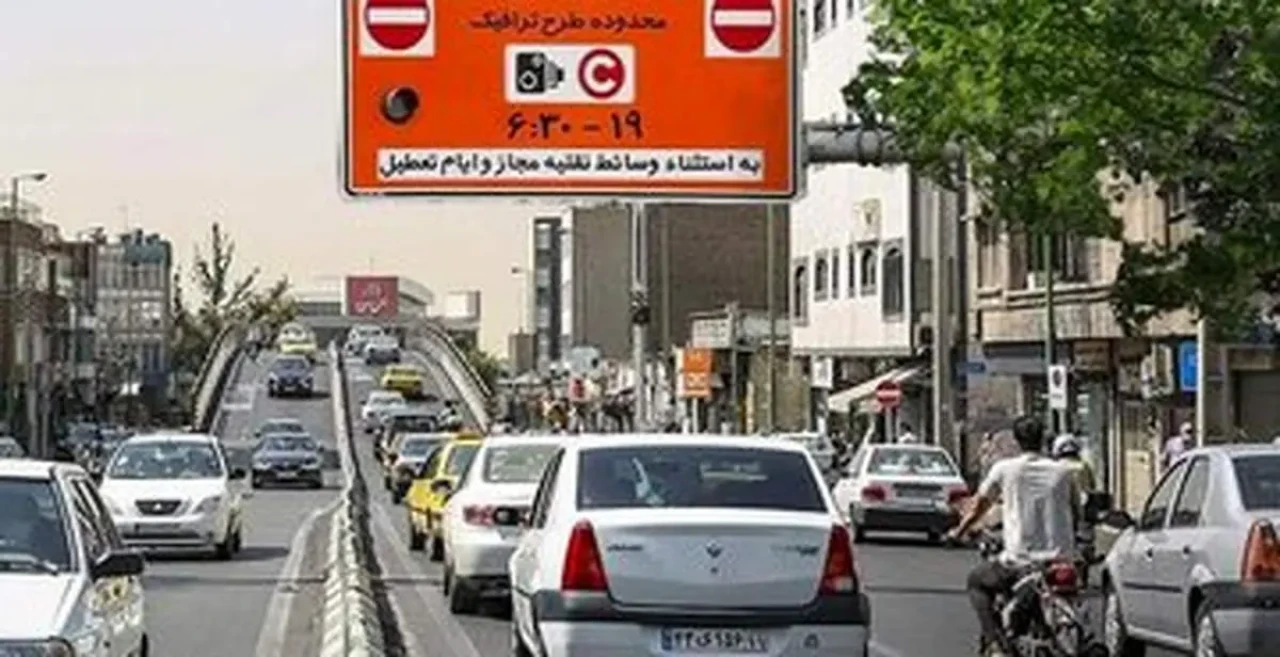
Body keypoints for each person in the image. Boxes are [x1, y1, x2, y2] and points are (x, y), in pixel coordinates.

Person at [946, 416, 1078, 657]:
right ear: (1043, 440)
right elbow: (1076, 511)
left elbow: (977, 509)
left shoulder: (1005, 469)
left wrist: (959, 532)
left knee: (976, 582)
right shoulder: (1064, 472)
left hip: (1021, 562)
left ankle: (996, 644)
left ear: (1017, 441)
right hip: (1061, 560)